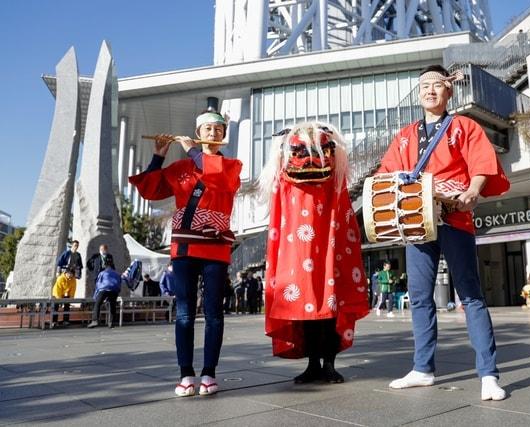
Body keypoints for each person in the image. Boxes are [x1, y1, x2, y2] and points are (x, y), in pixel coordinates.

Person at [378, 65, 510, 401]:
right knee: (420, 297)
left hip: (454, 217)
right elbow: (387, 174)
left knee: (470, 295)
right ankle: (422, 369)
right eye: (424, 86)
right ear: (419, 92)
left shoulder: (464, 126)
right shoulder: (405, 135)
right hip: (417, 221)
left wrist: (473, 191)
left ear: (448, 91)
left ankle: (489, 375)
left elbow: (481, 163)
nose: (430, 91)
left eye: (437, 85)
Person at [129, 107, 242, 397]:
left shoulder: (232, 166)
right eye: (207, 129)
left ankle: (209, 373)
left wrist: (192, 151)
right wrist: (159, 155)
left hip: (216, 246)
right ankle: (186, 374)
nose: (213, 133)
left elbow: (215, 177)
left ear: (223, 135)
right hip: (184, 246)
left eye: (218, 129)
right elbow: (151, 189)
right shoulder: (181, 169)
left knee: (215, 312)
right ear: (197, 133)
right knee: (184, 312)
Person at [259, 122, 369, 384]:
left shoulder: (334, 180)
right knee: (303, 304)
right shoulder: (285, 182)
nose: (309, 159)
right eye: (300, 151)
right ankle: (312, 362)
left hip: (327, 244)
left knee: (329, 302)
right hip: (297, 248)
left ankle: (328, 362)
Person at [88, 262, 122, 328]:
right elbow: (119, 283)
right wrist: (117, 292)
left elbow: (98, 284)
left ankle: (95, 321)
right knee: (112, 305)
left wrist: (96, 296)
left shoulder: (102, 273)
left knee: (98, 304)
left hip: (104, 289)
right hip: (114, 290)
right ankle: (111, 322)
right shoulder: (117, 274)